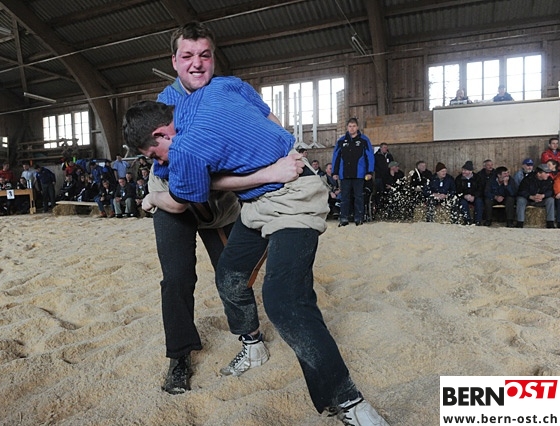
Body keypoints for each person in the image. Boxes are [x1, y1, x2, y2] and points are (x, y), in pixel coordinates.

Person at [123, 82, 389, 426]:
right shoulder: (205, 99)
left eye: (154, 154)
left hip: (292, 199)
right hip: (255, 205)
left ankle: (350, 402)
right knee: (229, 275)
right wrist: (281, 149)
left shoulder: (195, 134)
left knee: (283, 300)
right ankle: (253, 346)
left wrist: (149, 198)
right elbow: (255, 108)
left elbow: (179, 199)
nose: (158, 161)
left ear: (162, 133)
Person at [147, 21, 300, 397]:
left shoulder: (229, 90)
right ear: (174, 62)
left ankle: (252, 341)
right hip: (174, 198)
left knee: (232, 273)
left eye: (204, 55)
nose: (196, 63)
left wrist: (286, 149)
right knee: (177, 278)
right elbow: (189, 176)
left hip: (221, 204)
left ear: (213, 58)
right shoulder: (165, 106)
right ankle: (179, 357)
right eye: (187, 56)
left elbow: (268, 121)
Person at [332, 117, 375, 227]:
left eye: (354, 126)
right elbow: (336, 156)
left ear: (357, 127)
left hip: (359, 174)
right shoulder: (341, 141)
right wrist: (334, 172)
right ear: (347, 127)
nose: (352, 128)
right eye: (350, 126)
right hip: (344, 173)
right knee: (344, 197)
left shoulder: (364, 140)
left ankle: (358, 218)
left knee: (358, 196)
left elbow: (370, 156)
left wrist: (369, 171)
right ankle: (343, 218)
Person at [516, 164, 555, 228]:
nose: (548, 174)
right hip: (528, 199)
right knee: (520, 200)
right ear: (539, 174)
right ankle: (520, 223)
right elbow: (521, 191)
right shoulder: (528, 179)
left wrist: (543, 196)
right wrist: (530, 196)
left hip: (541, 200)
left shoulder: (549, 180)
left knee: (551, 200)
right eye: (546, 173)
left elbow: (551, 191)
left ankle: (550, 223)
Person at [454, 161, 484, 225]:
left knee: (479, 202)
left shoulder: (477, 178)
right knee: (462, 203)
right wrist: (464, 196)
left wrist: (474, 196)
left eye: (465, 170)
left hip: (474, 197)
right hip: (464, 197)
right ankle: (467, 220)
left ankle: (478, 221)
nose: (463, 172)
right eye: (463, 170)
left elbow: (480, 189)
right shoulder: (459, 178)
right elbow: (457, 190)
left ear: (470, 171)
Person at [373, 143, 393, 208]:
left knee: (386, 191)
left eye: (386, 147)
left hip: (387, 176)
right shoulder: (376, 156)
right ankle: (378, 205)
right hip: (379, 176)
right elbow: (374, 165)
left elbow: (392, 164)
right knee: (379, 191)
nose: (386, 149)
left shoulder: (389, 155)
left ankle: (386, 206)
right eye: (384, 147)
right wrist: (379, 171)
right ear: (381, 148)